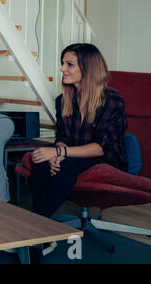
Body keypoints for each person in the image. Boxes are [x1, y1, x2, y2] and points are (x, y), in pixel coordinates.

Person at [30, 43, 128, 220]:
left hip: (105, 160)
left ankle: (34, 228)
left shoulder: (112, 100)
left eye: (69, 64)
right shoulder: (63, 100)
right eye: (63, 63)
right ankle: (40, 233)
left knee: (66, 166)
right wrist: (55, 155)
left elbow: (102, 148)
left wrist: (60, 152)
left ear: (88, 68)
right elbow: (63, 136)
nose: (62, 69)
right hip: (73, 155)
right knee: (40, 160)